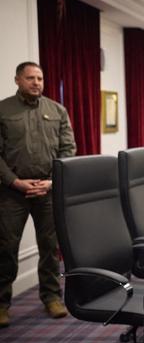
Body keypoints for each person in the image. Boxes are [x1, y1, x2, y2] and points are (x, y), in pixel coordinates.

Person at [0, 62, 77, 328]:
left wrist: (52, 182)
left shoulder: (57, 110)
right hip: (12, 192)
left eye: (40, 78)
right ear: (17, 80)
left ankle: (52, 297)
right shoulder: (3, 110)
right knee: (6, 248)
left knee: (50, 247)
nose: (36, 83)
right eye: (30, 78)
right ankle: (2, 304)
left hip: (47, 190)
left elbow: (68, 149)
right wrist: (15, 182)